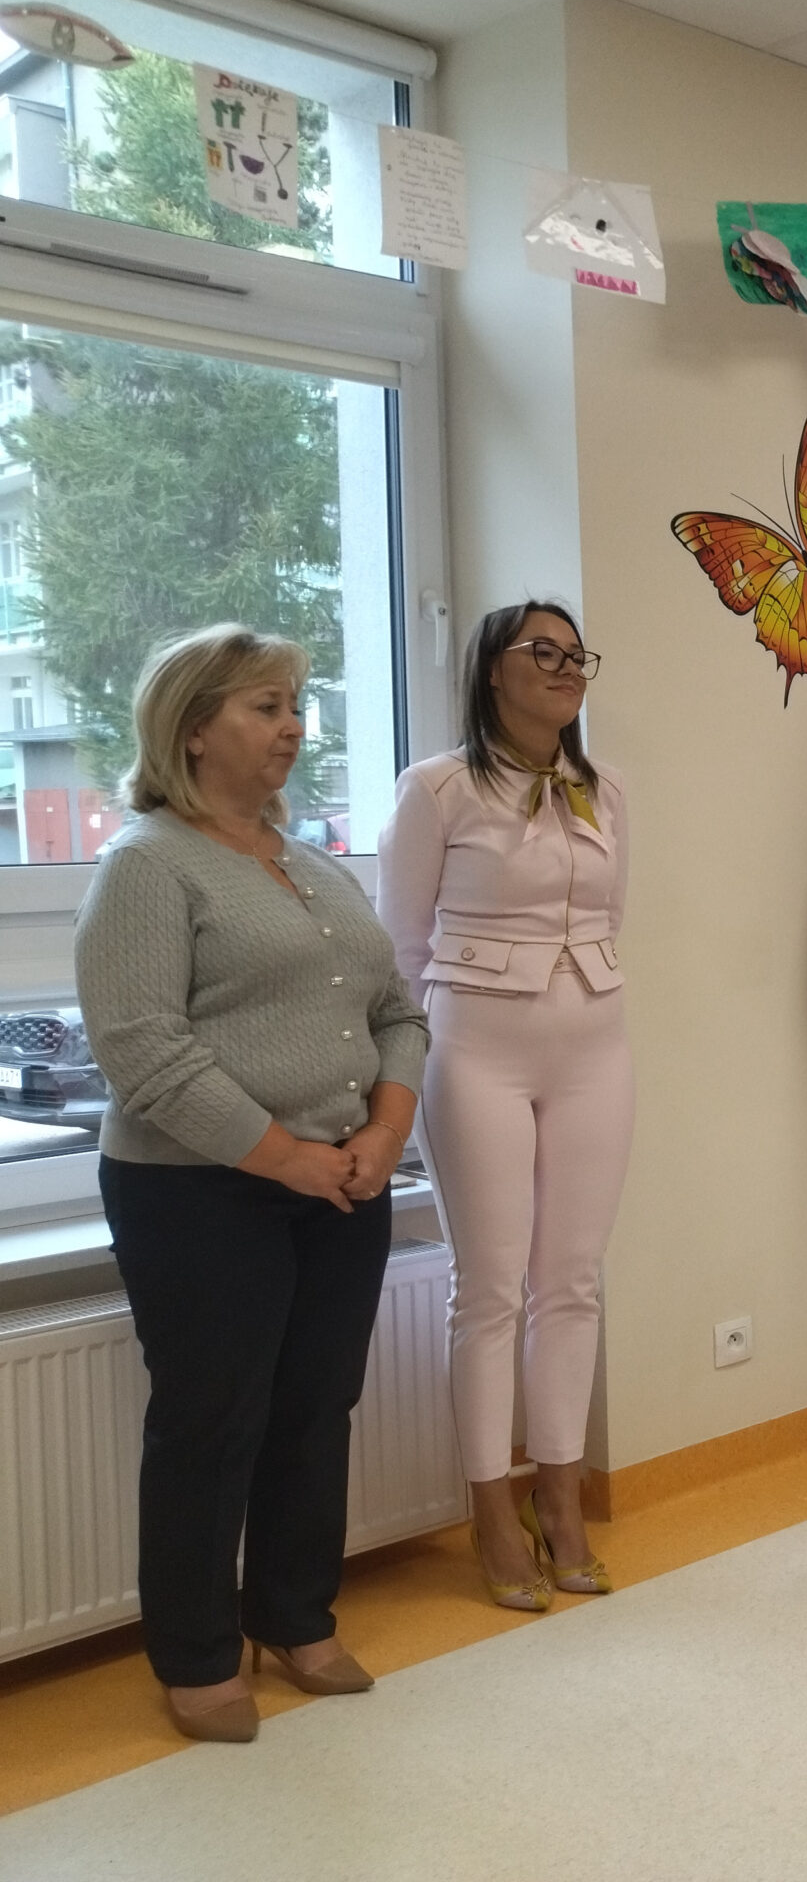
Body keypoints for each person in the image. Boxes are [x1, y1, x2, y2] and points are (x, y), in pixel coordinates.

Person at [73, 626, 429, 1743]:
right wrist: (290, 1156)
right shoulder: (147, 865)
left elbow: (396, 1013)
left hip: (343, 1181)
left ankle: (294, 1618)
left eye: (294, 707)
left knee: (316, 1410)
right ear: (193, 729)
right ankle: (195, 1654)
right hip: (199, 1194)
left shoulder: (314, 865)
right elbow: (143, 1051)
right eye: (265, 708)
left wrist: (385, 1129)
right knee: (211, 1422)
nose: (292, 729)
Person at [377, 601, 630, 1611]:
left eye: (577, 654)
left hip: (595, 1044)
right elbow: (401, 950)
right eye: (542, 652)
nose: (566, 668)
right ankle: (491, 1509)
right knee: (489, 1288)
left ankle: (560, 1501)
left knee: (572, 1282)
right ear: (492, 670)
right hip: (474, 1048)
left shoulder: (605, 791)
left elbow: (615, 917)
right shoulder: (436, 788)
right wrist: (402, 1070)